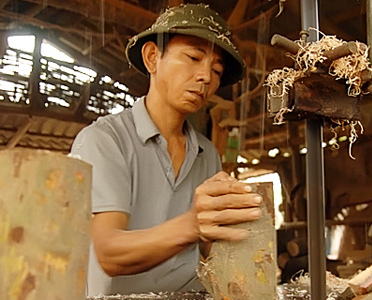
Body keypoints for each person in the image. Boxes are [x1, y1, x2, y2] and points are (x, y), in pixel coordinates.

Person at [71, 3, 262, 296]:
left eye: (216, 70)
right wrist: (193, 225)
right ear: (152, 58)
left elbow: (213, 246)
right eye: (193, 57)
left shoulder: (206, 153)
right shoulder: (104, 140)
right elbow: (108, 253)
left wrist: (248, 249)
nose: (206, 78)